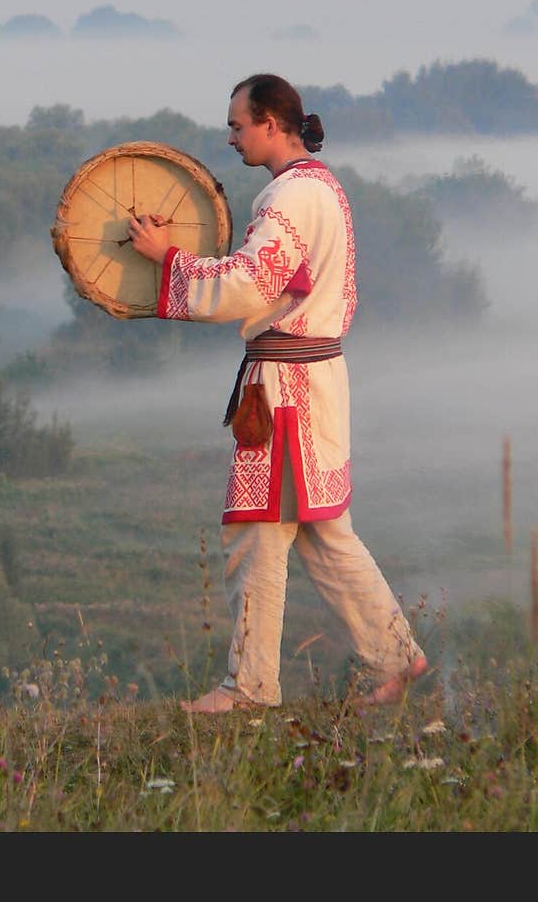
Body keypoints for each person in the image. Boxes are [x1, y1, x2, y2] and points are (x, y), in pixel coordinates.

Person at [128, 73, 427, 711]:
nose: (231, 136)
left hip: (286, 388)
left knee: (258, 531)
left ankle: (249, 686)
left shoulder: (286, 199)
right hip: (315, 377)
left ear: (270, 123)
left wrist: (168, 258)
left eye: (238, 125)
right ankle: (398, 656)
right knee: (322, 532)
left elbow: (251, 282)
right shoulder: (324, 188)